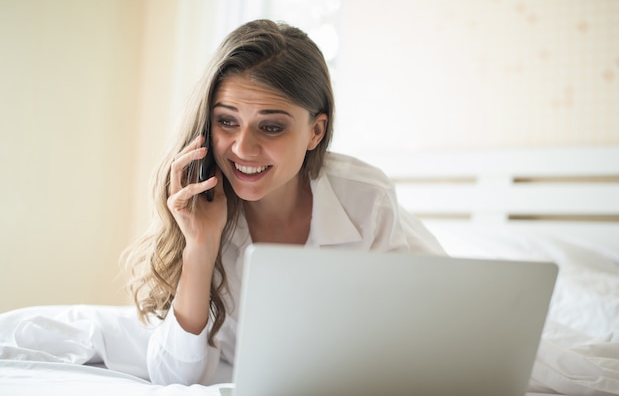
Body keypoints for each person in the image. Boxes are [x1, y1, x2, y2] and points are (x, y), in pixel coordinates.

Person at [123, 19, 445, 385]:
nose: (243, 148)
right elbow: (174, 379)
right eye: (227, 121)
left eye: (271, 126)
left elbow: (429, 334)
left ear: (315, 131)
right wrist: (200, 247)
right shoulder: (198, 204)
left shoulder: (367, 199)